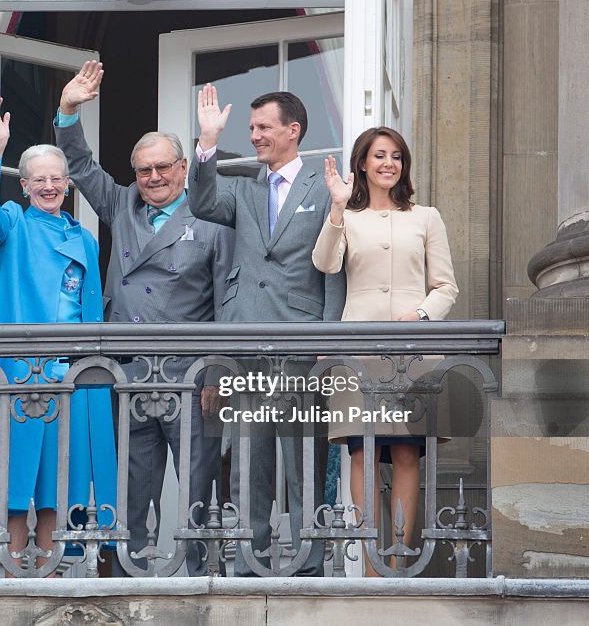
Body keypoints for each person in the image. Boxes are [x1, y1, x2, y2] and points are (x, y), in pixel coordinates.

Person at [54, 62, 233, 576]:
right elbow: (82, 165)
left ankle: (201, 577)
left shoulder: (212, 220)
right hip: (129, 371)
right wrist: (69, 109)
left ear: (183, 168)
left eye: (163, 168)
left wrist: (217, 372)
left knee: (198, 486)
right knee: (131, 487)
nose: (153, 178)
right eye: (143, 170)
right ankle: (125, 576)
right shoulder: (122, 204)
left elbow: (226, 303)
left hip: (190, 374)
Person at [0, 96, 117, 573]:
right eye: (38, 179)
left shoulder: (84, 237)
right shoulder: (14, 222)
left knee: (56, 481)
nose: (48, 186)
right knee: (16, 477)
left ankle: (48, 572)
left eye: (56, 178)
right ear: (23, 186)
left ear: (68, 185)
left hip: (71, 367)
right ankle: (14, 570)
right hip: (20, 368)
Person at [188, 84, 345, 577]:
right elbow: (201, 202)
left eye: (263, 128)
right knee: (248, 469)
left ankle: (307, 566)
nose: (254, 136)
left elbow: (334, 269)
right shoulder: (243, 188)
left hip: (301, 345)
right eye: (251, 128)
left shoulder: (323, 190)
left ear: (292, 130)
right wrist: (207, 144)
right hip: (246, 342)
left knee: (303, 466)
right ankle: (249, 566)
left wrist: (327, 341)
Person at [312, 126, 458, 575]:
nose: (388, 164)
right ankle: (372, 568)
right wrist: (338, 206)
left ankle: (399, 562)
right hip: (359, 351)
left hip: (413, 352)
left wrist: (420, 315)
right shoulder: (347, 218)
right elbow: (325, 262)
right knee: (361, 452)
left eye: (396, 156)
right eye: (379, 156)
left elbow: (446, 286)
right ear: (362, 164)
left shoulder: (426, 217)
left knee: (405, 453)